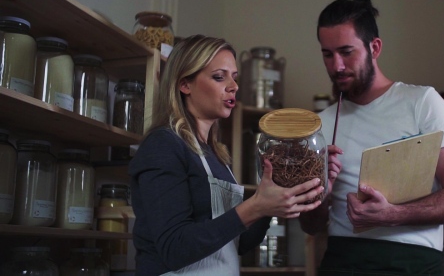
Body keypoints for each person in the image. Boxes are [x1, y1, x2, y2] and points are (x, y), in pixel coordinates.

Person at [299, 0, 444, 275]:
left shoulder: (422, 103)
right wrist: (322, 195)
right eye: (327, 54)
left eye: (346, 52)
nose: (337, 66)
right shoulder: (321, 124)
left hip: (413, 264)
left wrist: (393, 215)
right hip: (341, 261)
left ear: (375, 47)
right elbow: (310, 225)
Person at [129, 35, 324, 275]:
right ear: (185, 85)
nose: (233, 86)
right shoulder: (163, 145)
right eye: (219, 77)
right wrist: (253, 208)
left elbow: (237, 244)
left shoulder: (215, 155)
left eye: (234, 77)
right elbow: (174, 248)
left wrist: (268, 204)